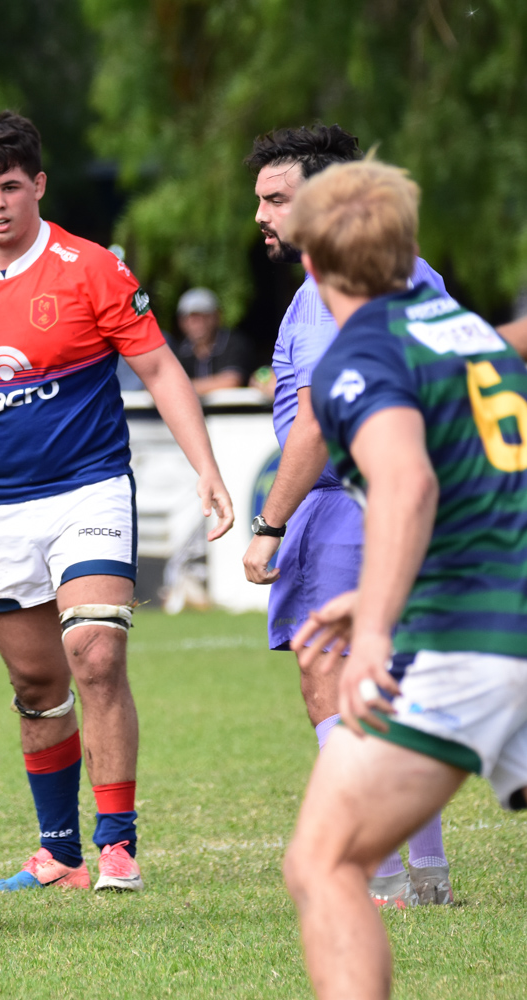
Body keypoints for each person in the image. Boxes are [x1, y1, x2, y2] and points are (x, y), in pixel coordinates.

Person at [0, 110, 234, 895]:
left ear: (38, 185)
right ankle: (60, 854)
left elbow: (163, 371)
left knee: (97, 655)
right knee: (39, 688)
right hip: (0, 508)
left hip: (91, 488)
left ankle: (116, 842)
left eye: (11, 185)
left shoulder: (91, 269)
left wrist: (206, 468)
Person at [280, 159, 527, 999]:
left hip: (476, 639)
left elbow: (409, 483)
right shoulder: (465, 330)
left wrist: (377, 627)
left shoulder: (360, 357)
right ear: (411, 250)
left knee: (324, 861)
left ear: (310, 265)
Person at [238, 124, 453, 906]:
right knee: (389, 684)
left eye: (276, 198)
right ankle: (422, 877)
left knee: (335, 679)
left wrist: (270, 523)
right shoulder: (408, 269)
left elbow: (320, 419)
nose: (260, 214)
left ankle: (386, 880)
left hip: (349, 506)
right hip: (408, 498)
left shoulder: (339, 279)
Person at [173, 287, 254, 394]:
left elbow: (231, 382)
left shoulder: (234, 342)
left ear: (217, 316)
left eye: (204, 316)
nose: (197, 323)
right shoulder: (181, 350)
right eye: (191, 317)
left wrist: (184, 387)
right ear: (181, 322)